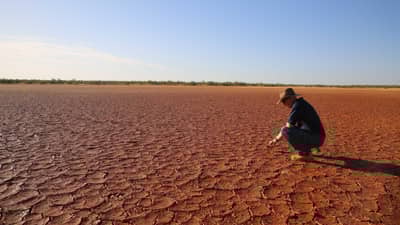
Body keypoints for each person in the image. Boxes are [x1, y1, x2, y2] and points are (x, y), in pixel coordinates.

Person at [268, 88, 326, 160]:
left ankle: (305, 154)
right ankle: (311, 149)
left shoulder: (297, 106)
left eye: (284, 101)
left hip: (317, 138)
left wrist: (276, 139)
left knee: (286, 131)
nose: (284, 104)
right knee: (292, 129)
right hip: (318, 137)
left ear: (291, 98)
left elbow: (287, 127)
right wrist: (275, 140)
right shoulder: (301, 103)